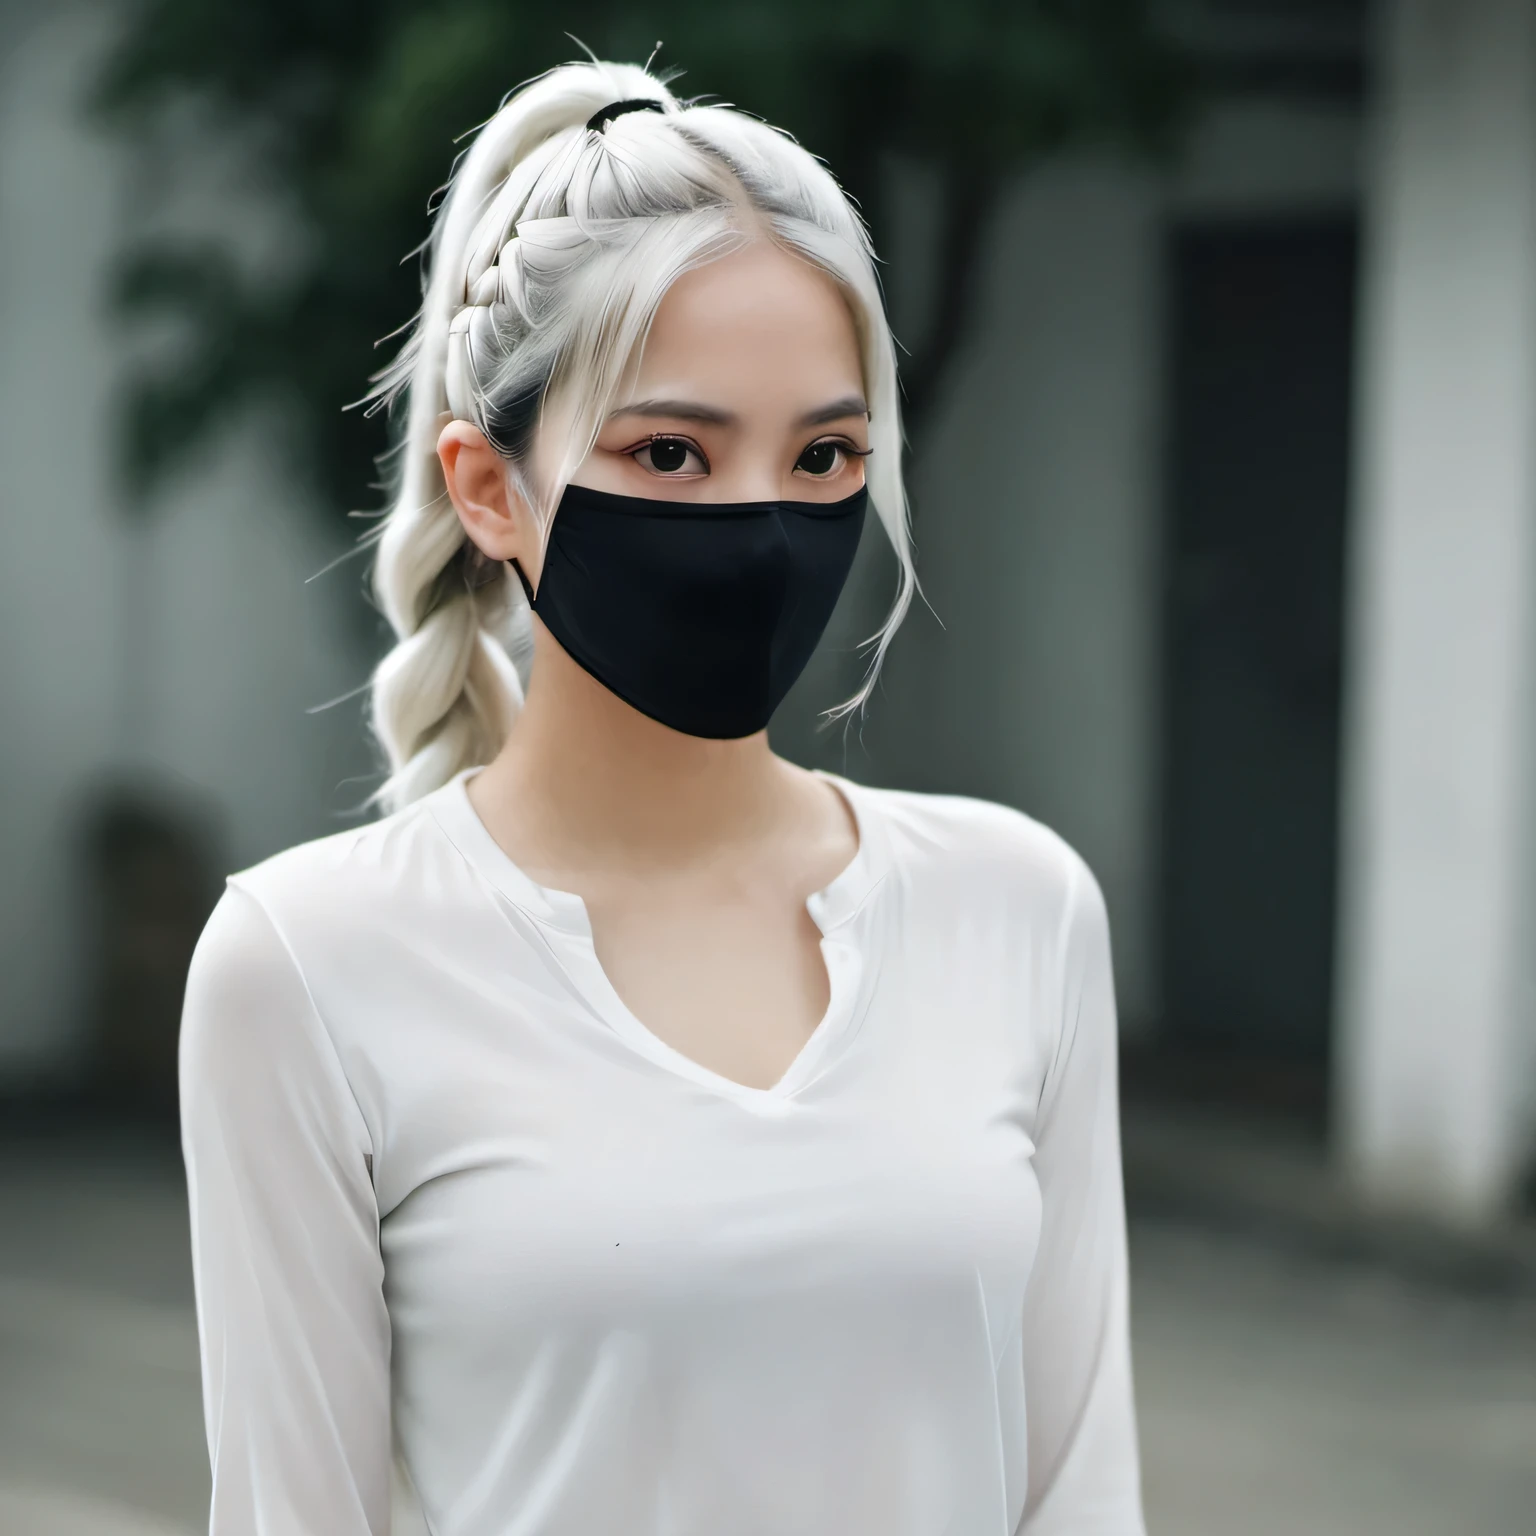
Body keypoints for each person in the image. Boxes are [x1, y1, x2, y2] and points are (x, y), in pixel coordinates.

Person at [178, 59, 1145, 1536]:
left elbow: (1082, 1497)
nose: (762, 534)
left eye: (824, 454)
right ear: (491, 488)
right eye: (671, 453)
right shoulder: (307, 969)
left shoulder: (1017, 909)